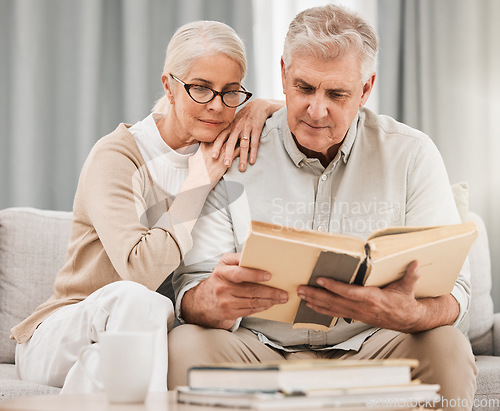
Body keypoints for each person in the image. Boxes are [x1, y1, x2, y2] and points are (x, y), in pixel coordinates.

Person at [169, 5, 477, 411]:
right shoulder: (232, 148)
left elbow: (456, 292)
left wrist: (412, 314)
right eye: (303, 88)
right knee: (185, 345)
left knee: (447, 346)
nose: (316, 110)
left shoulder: (410, 155)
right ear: (282, 73)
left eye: (336, 94)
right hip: (259, 348)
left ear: (366, 89)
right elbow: (190, 286)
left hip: (373, 345)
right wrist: (211, 300)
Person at [11, 20, 282, 394]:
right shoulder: (119, 155)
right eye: (200, 89)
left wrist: (263, 108)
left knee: (154, 329)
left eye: (231, 92)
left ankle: (101, 384)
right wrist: (197, 182)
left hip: (147, 343)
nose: (217, 107)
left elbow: (314, 117)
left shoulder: (226, 141)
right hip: (67, 333)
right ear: (169, 87)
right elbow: (140, 272)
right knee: (145, 303)